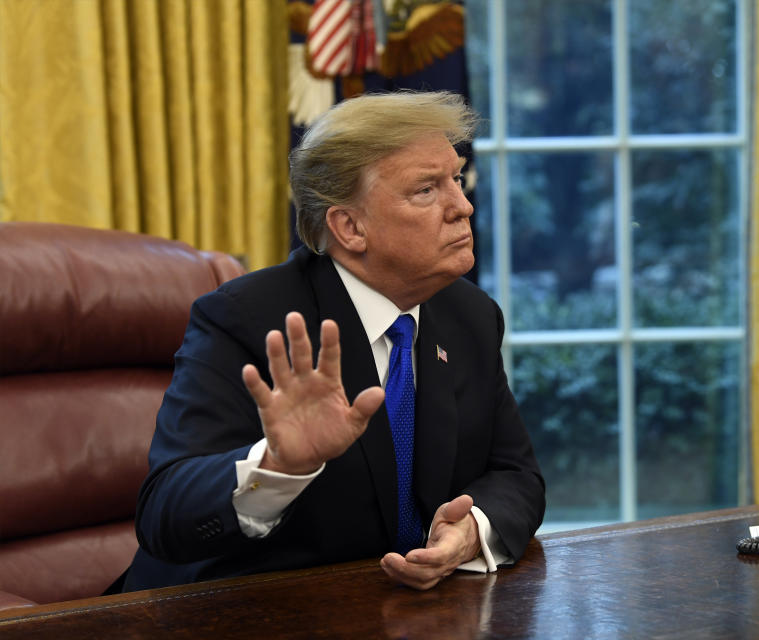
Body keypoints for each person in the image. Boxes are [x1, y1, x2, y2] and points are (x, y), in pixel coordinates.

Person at [121, 91, 545, 592]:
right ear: (349, 226)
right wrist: (277, 468)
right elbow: (163, 515)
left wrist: (471, 531)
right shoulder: (246, 319)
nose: (463, 205)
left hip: (403, 612)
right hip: (244, 610)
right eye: (427, 190)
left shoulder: (469, 315)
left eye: (455, 178)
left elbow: (516, 475)